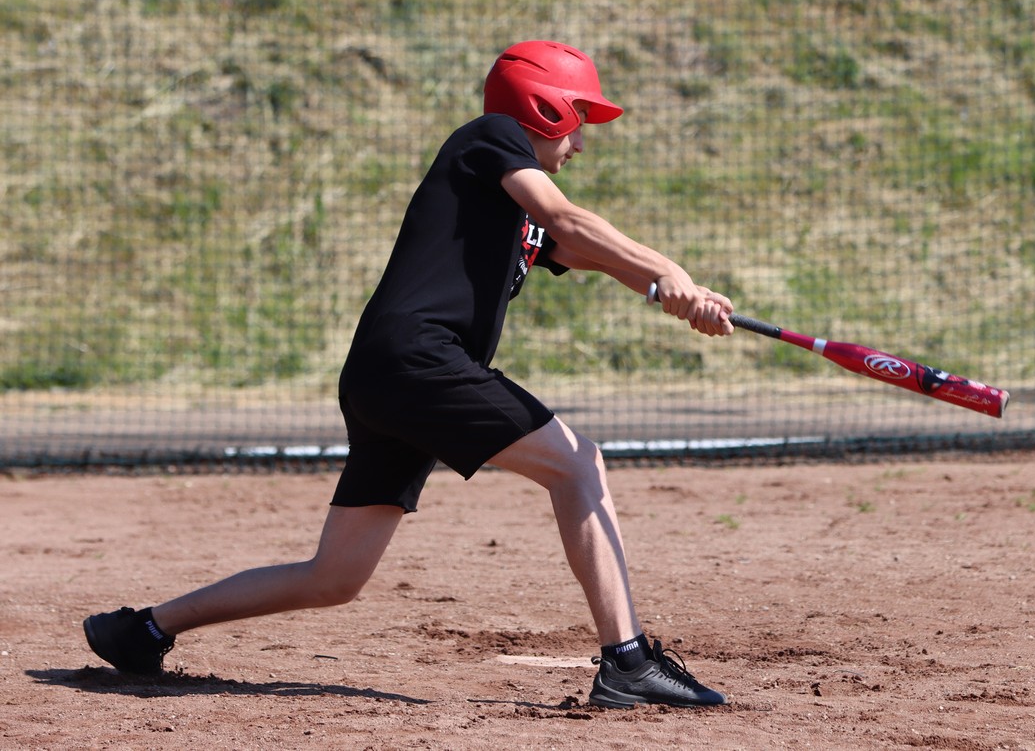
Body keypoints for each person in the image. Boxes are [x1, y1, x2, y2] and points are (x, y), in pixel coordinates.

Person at [83, 40, 735, 709]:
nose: (581, 144)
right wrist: (667, 273)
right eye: (576, 121)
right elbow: (565, 217)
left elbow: (577, 246)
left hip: (386, 376)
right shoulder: (491, 138)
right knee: (579, 466)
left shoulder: (502, 202)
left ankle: (143, 629)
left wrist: (682, 296)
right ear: (542, 109)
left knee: (334, 577)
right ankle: (626, 662)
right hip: (418, 361)